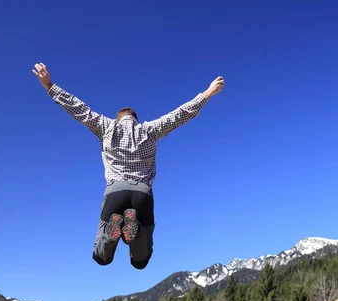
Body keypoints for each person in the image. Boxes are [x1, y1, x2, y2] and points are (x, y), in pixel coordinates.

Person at [32, 62, 225, 269]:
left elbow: (79, 109)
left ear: (119, 119)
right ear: (136, 119)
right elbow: (179, 115)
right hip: (143, 192)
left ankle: (112, 231)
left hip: (115, 191)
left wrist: (49, 86)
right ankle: (135, 231)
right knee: (140, 261)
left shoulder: (106, 126)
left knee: (101, 258)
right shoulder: (149, 130)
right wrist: (207, 93)